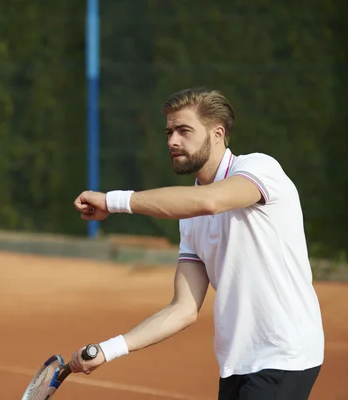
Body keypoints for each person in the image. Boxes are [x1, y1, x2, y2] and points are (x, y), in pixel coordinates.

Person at [69, 88, 325, 399]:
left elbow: (211, 201)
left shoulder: (259, 169)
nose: (171, 141)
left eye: (183, 131)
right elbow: (183, 308)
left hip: (284, 354)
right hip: (236, 363)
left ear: (217, 134)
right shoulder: (189, 216)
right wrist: (107, 350)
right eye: (169, 132)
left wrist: (114, 201)